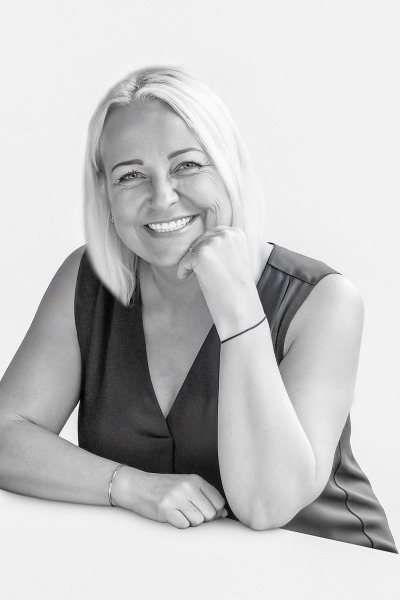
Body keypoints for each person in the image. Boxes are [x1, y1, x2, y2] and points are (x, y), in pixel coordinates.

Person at [0, 65, 397, 553]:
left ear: (229, 168)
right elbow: (6, 435)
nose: (162, 197)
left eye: (187, 165)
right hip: (180, 571)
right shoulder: (88, 281)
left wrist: (238, 307)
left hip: (334, 567)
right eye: (131, 175)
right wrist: (131, 486)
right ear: (105, 194)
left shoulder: (325, 299)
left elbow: (267, 506)